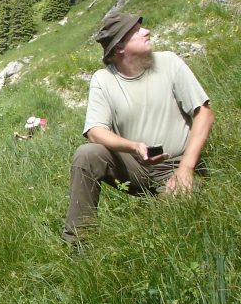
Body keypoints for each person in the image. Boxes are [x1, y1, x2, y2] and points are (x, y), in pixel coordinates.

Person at [62, 13, 214, 243]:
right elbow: (95, 131)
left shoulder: (169, 62)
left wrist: (186, 168)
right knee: (87, 154)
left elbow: (204, 113)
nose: (146, 32)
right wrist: (133, 147)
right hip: (136, 166)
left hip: (176, 163)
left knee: (175, 231)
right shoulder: (103, 80)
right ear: (120, 47)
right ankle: (79, 243)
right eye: (137, 31)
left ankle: (168, 197)